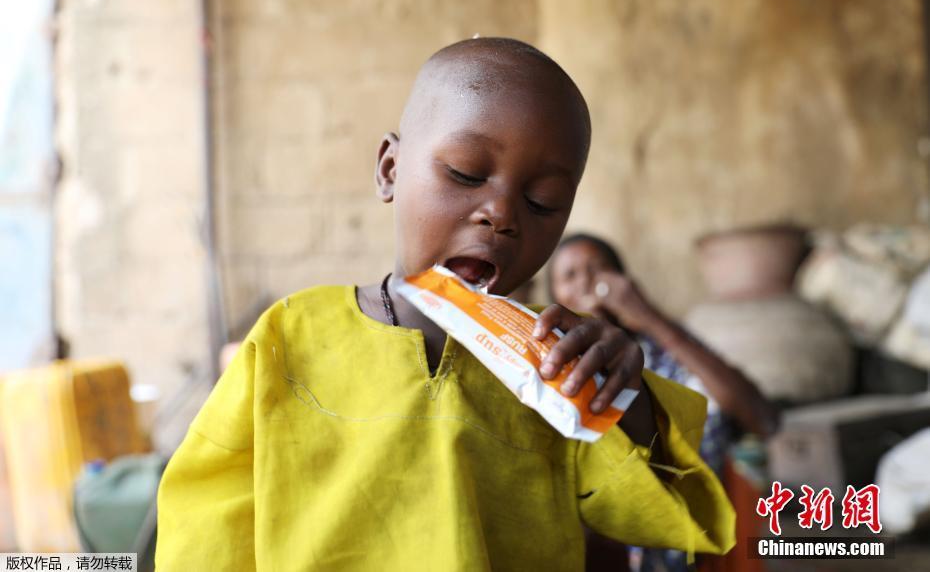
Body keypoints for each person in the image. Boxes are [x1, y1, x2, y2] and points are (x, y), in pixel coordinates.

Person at [155, 38, 735, 571]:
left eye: (543, 202)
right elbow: (206, 530)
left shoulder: (554, 367)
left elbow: (670, 517)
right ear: (390, 169)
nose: (501, 215)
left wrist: (623, 396)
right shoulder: (291, 337)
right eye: (465, 173)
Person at [549, 233, 780, 572]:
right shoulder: (552, 366)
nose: (585, 281)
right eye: (569, 275)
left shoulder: (659, 350)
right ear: (553, 298)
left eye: (597, 269)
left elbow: (761, 419)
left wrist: (647, 314)